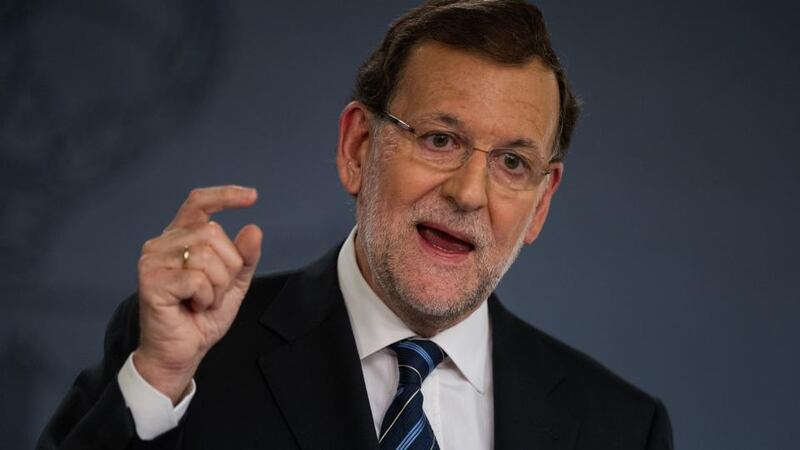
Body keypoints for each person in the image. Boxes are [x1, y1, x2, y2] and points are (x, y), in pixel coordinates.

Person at [38, 1, 673, 449]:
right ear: (358, 148)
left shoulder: (619, 427)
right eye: (440, 138)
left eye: (512, 162)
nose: (469, 193)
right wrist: (157, 384)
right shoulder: (190, 357)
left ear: (540, 203)